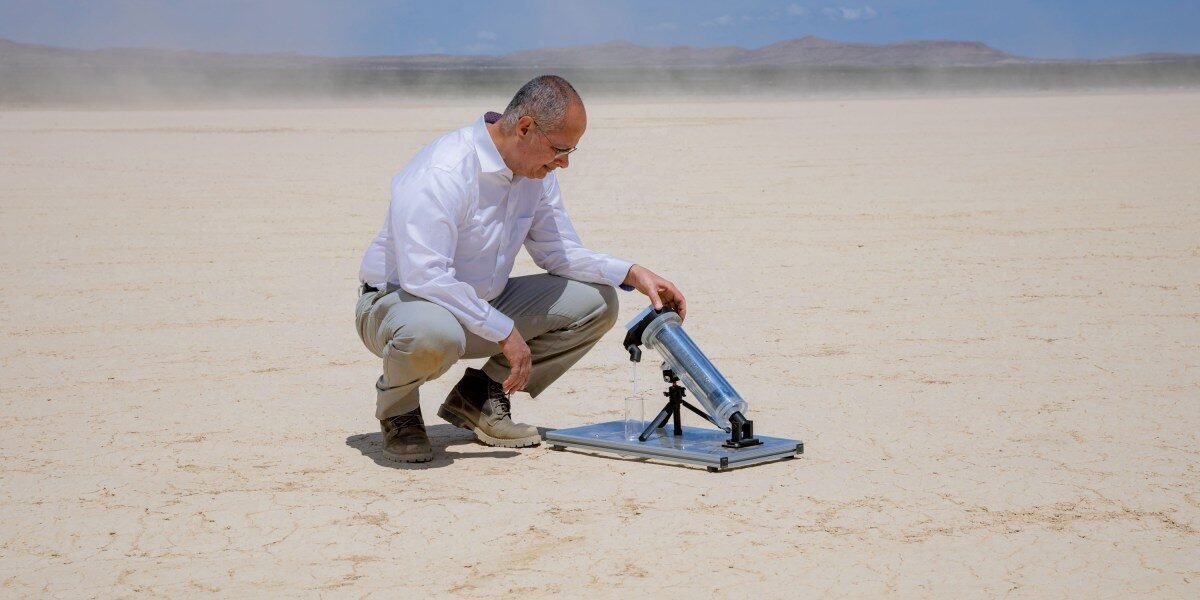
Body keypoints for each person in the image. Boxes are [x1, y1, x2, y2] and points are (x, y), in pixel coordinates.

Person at [355, 75, 685, 463]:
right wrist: (503, 330)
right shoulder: (442, 170)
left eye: (571, 151)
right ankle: (399, 410)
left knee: (598, 300)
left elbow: (558, 254)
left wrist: (633, 273)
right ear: (525, 128)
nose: (564, 163)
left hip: (480, 304)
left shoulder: (535, 173)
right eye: (561, 149)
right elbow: (424, 276)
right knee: (433, 333)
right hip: (398, 304)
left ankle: (479, 397)